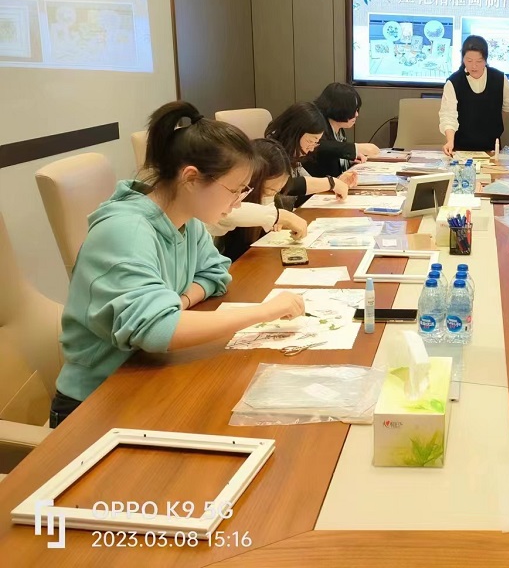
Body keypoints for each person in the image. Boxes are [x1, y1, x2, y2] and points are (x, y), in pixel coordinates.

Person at [49, 102, 305, 427]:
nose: (238, 202)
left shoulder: (187, 220)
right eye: (235, 190)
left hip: (148, 376)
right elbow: (157, 330)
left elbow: (215, 273)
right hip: (94, 403)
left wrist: (180, 302)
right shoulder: (126, 230)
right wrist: (265, 312)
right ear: (191, 178)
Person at [212, 138, 309, 260]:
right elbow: (225, 213)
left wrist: (274, 220)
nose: (271, 195)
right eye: (268, 190)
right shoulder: (223, 203)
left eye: (277, 191)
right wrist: (279, 216)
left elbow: (267, 213)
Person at [264, 102, 356, 206]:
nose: (312, 148)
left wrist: (338, 182)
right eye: (310, 141)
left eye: (316, 142)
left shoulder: (292, 156)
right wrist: (331, 183)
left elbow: (308, 184)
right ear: (294, 133)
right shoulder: (271, 153)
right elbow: (289, 185)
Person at [439, 35, 509, 155]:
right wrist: (450, 141)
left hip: (491, 148)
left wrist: (495, 125)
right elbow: (448, 115)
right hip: (460, 148)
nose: (474, 66)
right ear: (463, 59)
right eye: (469, 61)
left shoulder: (499, 78)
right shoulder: (454, 82)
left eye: (479, 61)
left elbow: (508, 106)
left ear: (485, 60)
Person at [305, 82, 380, 178]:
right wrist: (355, 148)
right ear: (340, 108)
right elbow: (321, 147)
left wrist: (349, 160)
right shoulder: (318, 126)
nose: (357, 114)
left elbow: (336, 154)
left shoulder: (339, 130)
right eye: (353, 110)